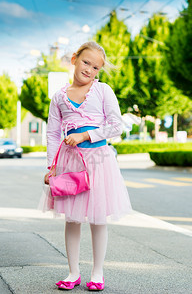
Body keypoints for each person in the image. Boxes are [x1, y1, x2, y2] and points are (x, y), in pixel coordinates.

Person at [40, 41, 132, 291]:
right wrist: (51, 166)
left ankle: (97, 273)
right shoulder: (59, 97)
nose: (90, 69)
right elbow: (52, 133)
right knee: (72, 218)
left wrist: (85, 135)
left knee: (98, 218)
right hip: (70, 163)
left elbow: (116, 125)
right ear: (74, 59)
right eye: (86, 62)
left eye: (96, 67)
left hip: (99, 162)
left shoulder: (103, 91)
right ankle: (73, 273)